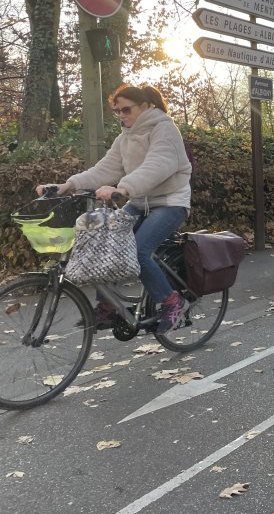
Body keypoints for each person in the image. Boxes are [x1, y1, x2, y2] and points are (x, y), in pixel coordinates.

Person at [37, 84, 192, 333]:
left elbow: (159, 164)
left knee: (139, 250)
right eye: (117, 111)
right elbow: (105, 168)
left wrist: (124, 187)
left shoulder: (164, 128)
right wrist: (68, 185)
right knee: (100, 244)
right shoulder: (125, 137)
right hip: (139, 203)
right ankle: (108, 305)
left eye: (126, 110)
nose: (121, 115)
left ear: (146, 106)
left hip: (170, 202)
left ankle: (173, 302)